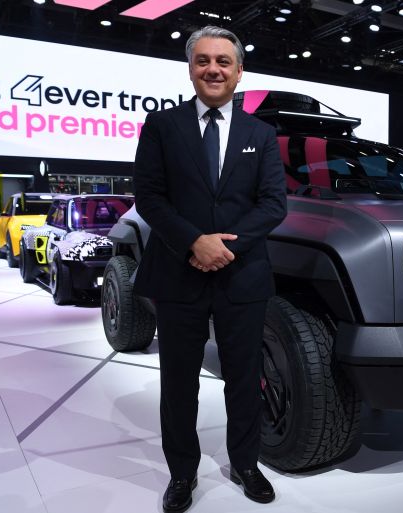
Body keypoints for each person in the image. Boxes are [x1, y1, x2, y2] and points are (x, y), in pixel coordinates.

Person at [132, 26, 287, 512]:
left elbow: (273, 204)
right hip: (179, 272)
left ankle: (246, 463)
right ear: (191, 68)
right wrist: (194, 242)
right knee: (178, 381)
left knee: (244, 376)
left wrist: (226, 248)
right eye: (203, 60)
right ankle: (182, 473)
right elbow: (149, 197)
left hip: (242, 276)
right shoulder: (162, 126)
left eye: (223, 61)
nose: (213, 69)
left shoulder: (261, 135)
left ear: (239, 72)